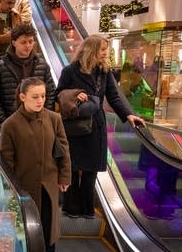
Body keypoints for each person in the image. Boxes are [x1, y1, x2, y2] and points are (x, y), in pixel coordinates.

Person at [55, 35, 145, 219]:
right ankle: (71, 207)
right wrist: (74, 95)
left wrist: (128, 114)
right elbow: (58, 94)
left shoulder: (104, 72)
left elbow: (114, 96)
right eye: (103, 49)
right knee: (71, 166)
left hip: (96, 125)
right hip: (75, 125)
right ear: (91, 50)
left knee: (91, 169)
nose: (106, 53)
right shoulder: (70, 71)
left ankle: (87, 208)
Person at [0, 77, 71, 252]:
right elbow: (7, 162)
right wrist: (12, 190)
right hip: (25, 189)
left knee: (48, 231)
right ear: (22, 97)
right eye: (35, 97)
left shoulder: (54, 118)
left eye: (43, 96)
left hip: (49, 186)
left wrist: (64, 176)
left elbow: (63, 150)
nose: (40, 100)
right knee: (26, 233)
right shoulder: (10, 125)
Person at [0, 24, 55, 126]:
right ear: (14, 42)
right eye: (23, 42)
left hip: (38, 122)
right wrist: (4, 120)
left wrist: (44, 116)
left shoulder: (42, 65)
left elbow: (51, 91)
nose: (28, 45)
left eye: (31, 41)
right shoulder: (0, 67)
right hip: (12, 122)